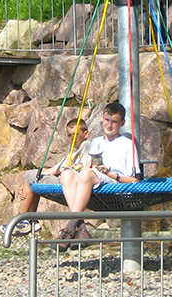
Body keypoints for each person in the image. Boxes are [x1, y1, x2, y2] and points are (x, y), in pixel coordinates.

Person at [57, 102, 140, 248]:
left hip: (116, 185)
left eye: (114, 122)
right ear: (102, 118)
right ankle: (81, 227)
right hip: (94, 180)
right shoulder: (95, 142)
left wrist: (111, 174)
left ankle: (70, 227)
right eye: (107, 120)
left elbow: (135, 180)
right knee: (66, 175)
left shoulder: (127, 144)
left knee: (86, 174)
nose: (109, 125)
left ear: (122, 123)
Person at [1, 119, 91, 237]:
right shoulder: (72, 154)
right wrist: (28, 181)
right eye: (70, 135)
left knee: (31, 178)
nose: (72, 139)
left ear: (85, 134)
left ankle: (24, 221)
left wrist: (31, 179)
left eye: (76, 135)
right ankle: (29, 220)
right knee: (31, 176)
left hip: (72, 182)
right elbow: (53, 170)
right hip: (65, 179)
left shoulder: (87, 146)